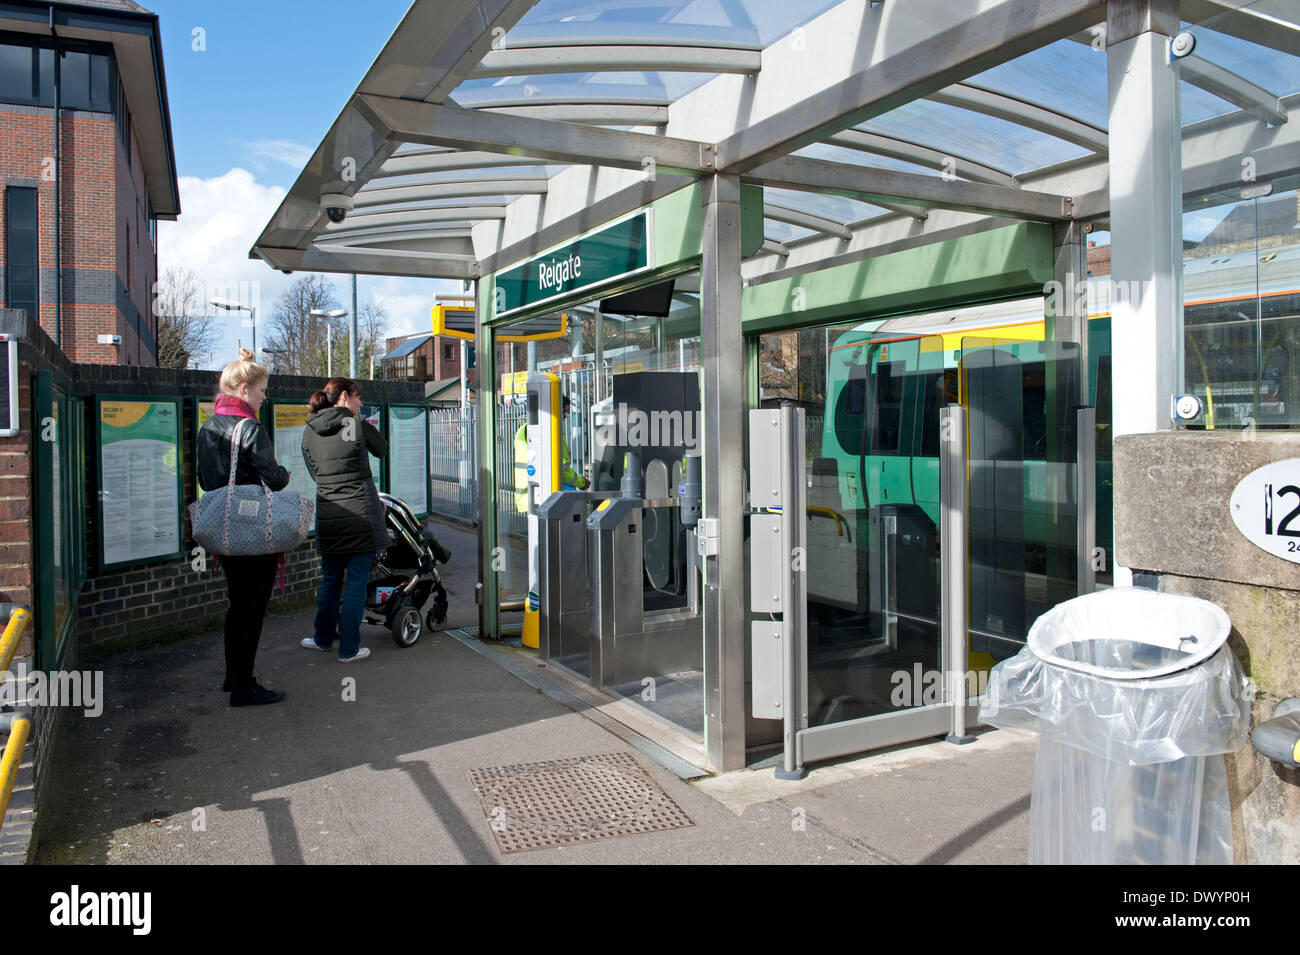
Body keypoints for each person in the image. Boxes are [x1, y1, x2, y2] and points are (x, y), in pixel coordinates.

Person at [196, 348, 290, 707]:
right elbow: (275, 480)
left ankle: (233, 676)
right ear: (244, 389)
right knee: (252, 608)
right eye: (262, 390)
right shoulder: (249, 428)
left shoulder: (208, 427)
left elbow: (206, 476)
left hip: (224, 527)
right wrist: (285, 474)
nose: (265, 397)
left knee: (238, 605)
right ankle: (244, 687)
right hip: (252, 530)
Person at [299, 378, 389, 662]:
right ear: (345, 397)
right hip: (360, 517)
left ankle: (322, 639)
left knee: (330, 581)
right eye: (358, 398)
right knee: (356, 585)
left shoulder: (310, 430)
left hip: (329, 517)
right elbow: (382, 449)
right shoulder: (355, 425)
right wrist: (358, 421)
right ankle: (349, 649)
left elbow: (315, 473)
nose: (361, 404)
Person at [513, 394, 588, 513]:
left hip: (527, 497)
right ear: (552, 410)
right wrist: (581, 482)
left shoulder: (523, 429)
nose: (565, 416)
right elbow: (561, 468)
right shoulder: (552, 432)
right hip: (546, 498)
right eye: (563, 412)